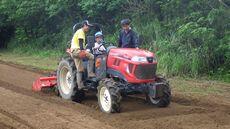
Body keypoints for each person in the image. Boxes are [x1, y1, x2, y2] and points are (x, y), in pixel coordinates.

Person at [71, 20, 95, 90]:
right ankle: (90, 73)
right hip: (77, 51)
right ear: (84, 25)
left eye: (89, 27)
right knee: (92, 57)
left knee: (80, 70)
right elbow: (81, 43)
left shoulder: (78, 32)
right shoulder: (81, 32)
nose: (88, 28)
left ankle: (80, 86)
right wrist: (83, 51)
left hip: (73, 51)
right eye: (87, 26)